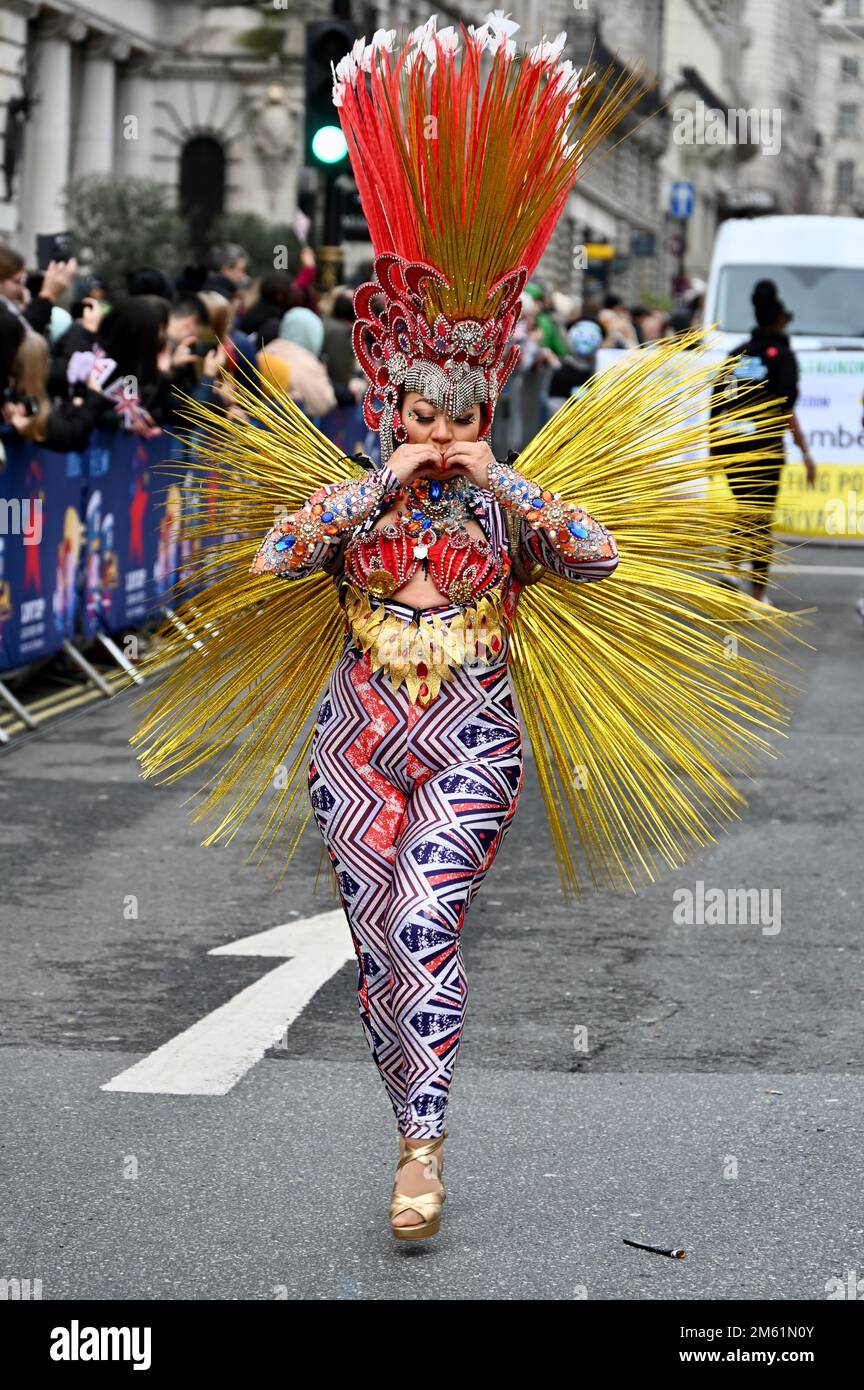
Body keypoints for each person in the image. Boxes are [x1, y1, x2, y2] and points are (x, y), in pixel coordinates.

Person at [133, 14, 805, 1247]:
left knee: (430, 918)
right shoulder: (359, 497)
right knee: (378, 945)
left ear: (488, 399)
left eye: (462, 407)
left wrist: (496, 479)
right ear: (392, 398)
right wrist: (377, 483)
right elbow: (275, 557)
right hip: (356, 738)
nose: (441, 425)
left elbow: (597, 556)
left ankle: (424, 1148)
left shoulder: (508, 504)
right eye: (422, 408)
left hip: (474, 736)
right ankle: (407, 1117)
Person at [711, 278, 815, 602]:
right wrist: (805, 451)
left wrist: (712, 447)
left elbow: (716, 403)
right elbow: (785, 408)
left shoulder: (735, 354)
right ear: (778, 320)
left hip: (732, 442)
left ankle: (731, 564)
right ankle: (757, 593)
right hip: (764, 446)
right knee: (760, 514)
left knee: (746, 507)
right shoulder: (782, 356)